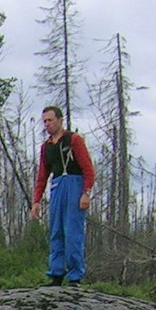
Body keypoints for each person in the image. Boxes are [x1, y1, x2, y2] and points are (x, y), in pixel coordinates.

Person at [29, 105, 95, 286]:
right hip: (57, 186)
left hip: (75, 184)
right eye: (44, 121)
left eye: (50, 120)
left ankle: (75, 277)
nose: (47, 124)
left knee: (72, 232)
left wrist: (86, 193)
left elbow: (88, 169)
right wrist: (36, 200)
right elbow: (42, 176)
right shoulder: (46, 147)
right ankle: (56, 274)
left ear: (59, 120)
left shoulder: (74, 140)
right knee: (56, 231)